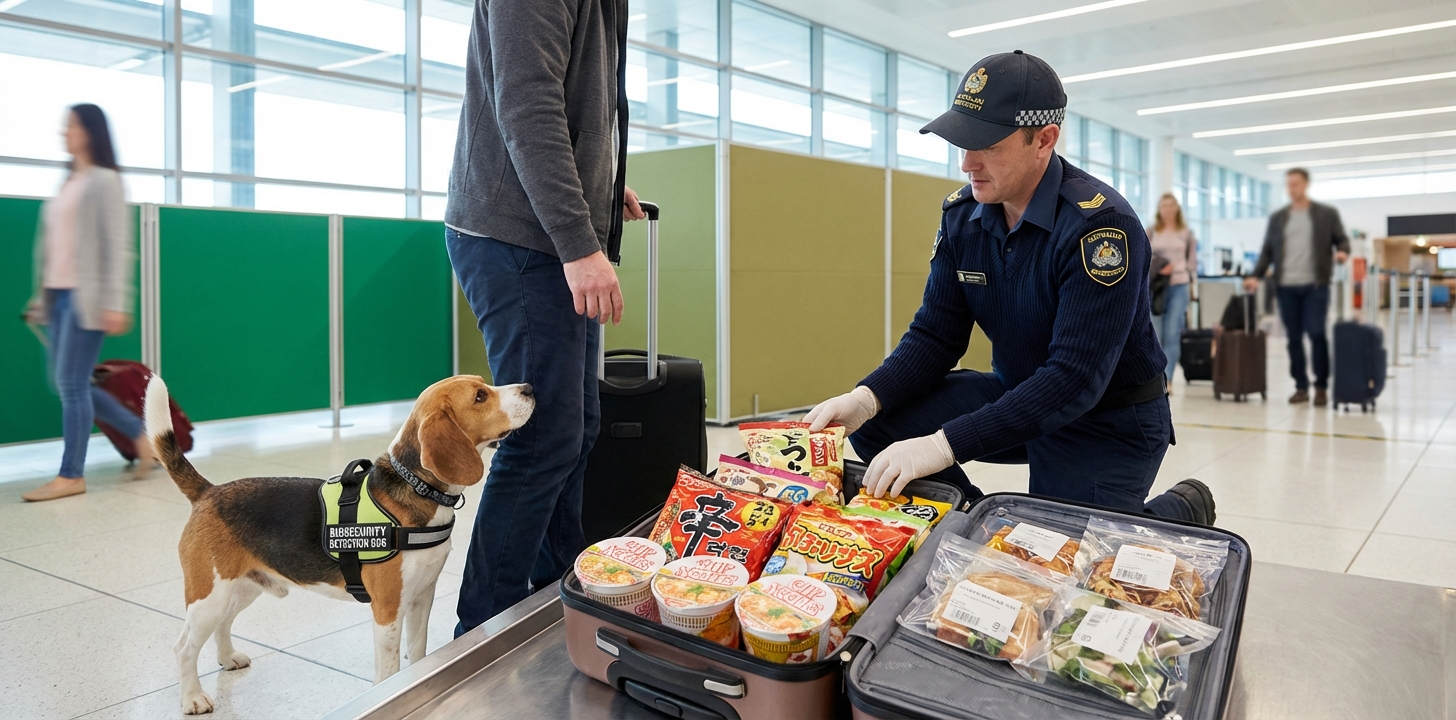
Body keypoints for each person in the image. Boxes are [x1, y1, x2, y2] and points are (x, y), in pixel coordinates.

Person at [804, 51, 1214, 525]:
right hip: (1017, 392)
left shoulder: (1100, 227)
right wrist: (867, 397)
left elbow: (1074, 378)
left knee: (1060, 556)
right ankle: (976, 519)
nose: (967, 163)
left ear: (1044, 140)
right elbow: (935, 334)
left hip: (1105, 417)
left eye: (987, 145)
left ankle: (1179, 510)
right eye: (962, 142)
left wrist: (943, 445)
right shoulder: (963, 217)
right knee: (881, 421)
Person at [445, 0, 646, 634]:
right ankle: (484, 629)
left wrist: (600, 187)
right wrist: (580, 243)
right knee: (539, 437)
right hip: (520, 239)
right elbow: (528, 108)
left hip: (542, 235)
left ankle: (554, 597)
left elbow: (569, 107)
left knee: (573, 429)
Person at [21, 104, 151, 502]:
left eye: (72, 126)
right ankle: (140, 435)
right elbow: (55, 247)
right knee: (65, 382)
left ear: (91, 132)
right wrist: (41, 298)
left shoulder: (105, 180)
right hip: (59, 295)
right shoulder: (69, 181)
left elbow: (118, 245)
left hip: (86, 298)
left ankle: (71, 475)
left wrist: (116, 301)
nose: (65, 132)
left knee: (71, 385)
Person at [1243, 168, 1350, 407]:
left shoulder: (1326, 214)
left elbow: (1342, 239)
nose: (1292, 189)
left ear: (1306, 184)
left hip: (1315, 285)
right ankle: (1301, 386)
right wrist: (1255, 276)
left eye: (1296, 184)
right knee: (1293, 338)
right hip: (1286, 286)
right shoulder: (1279, 218)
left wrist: (1343, 251)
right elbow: (1267, 250)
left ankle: (1321, 386)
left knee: (1316, 333)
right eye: (1289, 184)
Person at [1148, 193, 1197, 393]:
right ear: (1159, 209)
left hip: (1179, 285)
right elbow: (1144, 256)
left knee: (1172, 334)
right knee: (1156, 334)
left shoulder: (1186, 233)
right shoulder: (1152, 231)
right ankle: (1155, 377)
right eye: (1164, 206)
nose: (1167, 209)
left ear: (1177, 208)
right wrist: (1159, 268)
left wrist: (1179, 272)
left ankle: (1167, 379)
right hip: (1157, 287)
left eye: (1171, 205)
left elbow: (1191, 263)